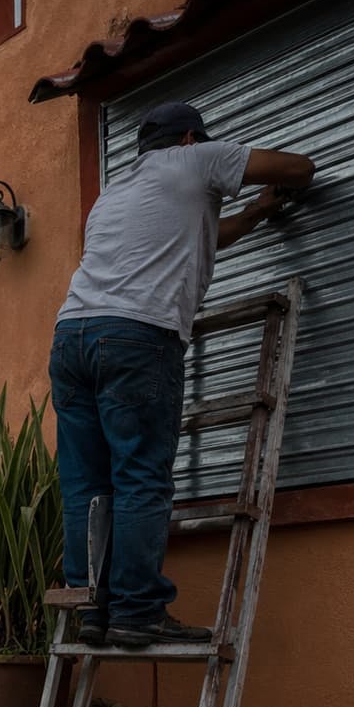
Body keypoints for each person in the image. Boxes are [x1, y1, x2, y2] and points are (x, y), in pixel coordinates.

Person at [50, 101, 315, 647]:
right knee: (141, 475)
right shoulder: (194, 161)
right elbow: (298, 167)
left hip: (71, 338)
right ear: (191, 138)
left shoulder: (114, 196)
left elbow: (204, 238)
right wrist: (275, 185)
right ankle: (137, 612)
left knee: (86, 483)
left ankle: (92, 608)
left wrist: (259, 213)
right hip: (136, 337)